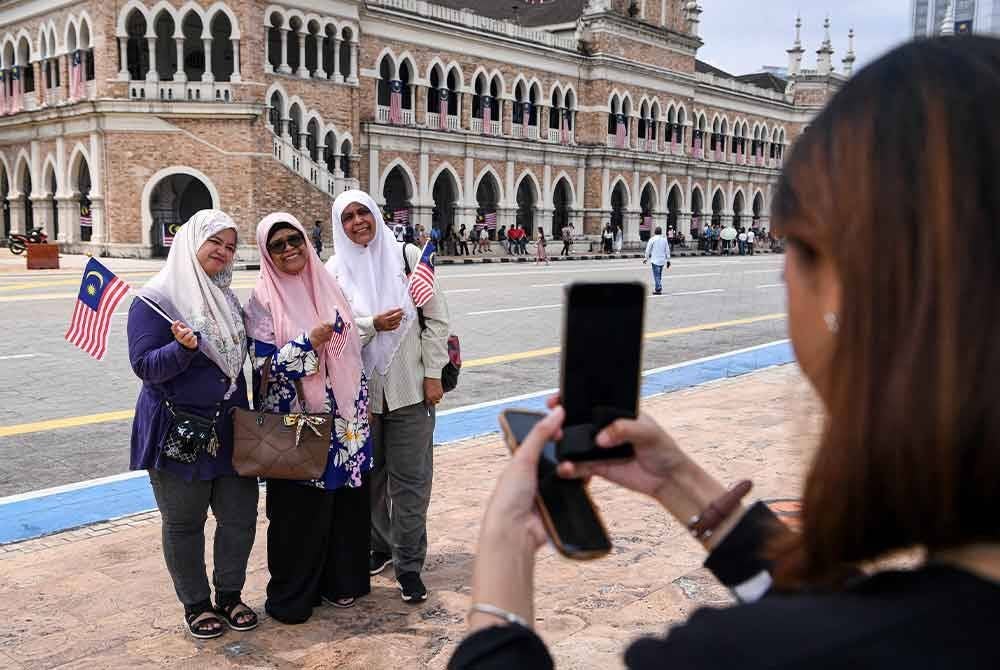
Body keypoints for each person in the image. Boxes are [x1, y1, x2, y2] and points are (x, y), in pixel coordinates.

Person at [449, 37, 1000, 669]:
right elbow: (853, 617)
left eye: (792, 245)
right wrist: (682, 484)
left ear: (849, 279)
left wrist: (500, 571)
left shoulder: (734, 657)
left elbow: (829, 635)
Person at [127, 210, 258, 640]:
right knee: (184, 522)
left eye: (230, 245)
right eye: (214, 243)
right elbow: (145, 365)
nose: (222, 252)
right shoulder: (155, 301)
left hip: (230, 429)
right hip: (179, 430)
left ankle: (229, 594)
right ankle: (197, 604)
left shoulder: (228, 300)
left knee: (239, 516)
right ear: (190, 244)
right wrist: (182, 350)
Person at [245, 213, 371, 625]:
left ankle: (340, 583)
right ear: (267, 253)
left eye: (293, 239)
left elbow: (352, 346)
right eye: (277, 245)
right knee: (298, 513)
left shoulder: (327, 284)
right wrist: (308, 343)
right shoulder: (263, 299)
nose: (288, 249)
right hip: (298, 421)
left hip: (346, 416)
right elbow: (264, 368)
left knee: (343, 504)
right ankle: (295, 595)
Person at [327, 190, 451, 604]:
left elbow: (436, 321)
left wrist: (433, 375)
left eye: (364, 212)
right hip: (360, 397)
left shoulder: (407, 257)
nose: (358, 221)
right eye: (348, 217)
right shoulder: (334, 272)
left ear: (376, 215)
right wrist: (370, 325)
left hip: (411, 390)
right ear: (339, 225)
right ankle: (380, 545)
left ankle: (410, 565)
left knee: (411, 482)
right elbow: (334, 333)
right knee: (368, 481)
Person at [643, 225, 671, 295]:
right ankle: (658, 287)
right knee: (659, 275)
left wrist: (646, 258)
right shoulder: (664, 240)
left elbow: (648, 250)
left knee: (656, 275)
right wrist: (668, 260)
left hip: (655, 260)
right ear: (661, 232)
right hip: (662, 260)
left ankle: (658, 288)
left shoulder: (652, 239)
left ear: (655, 232)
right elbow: (667, 250)